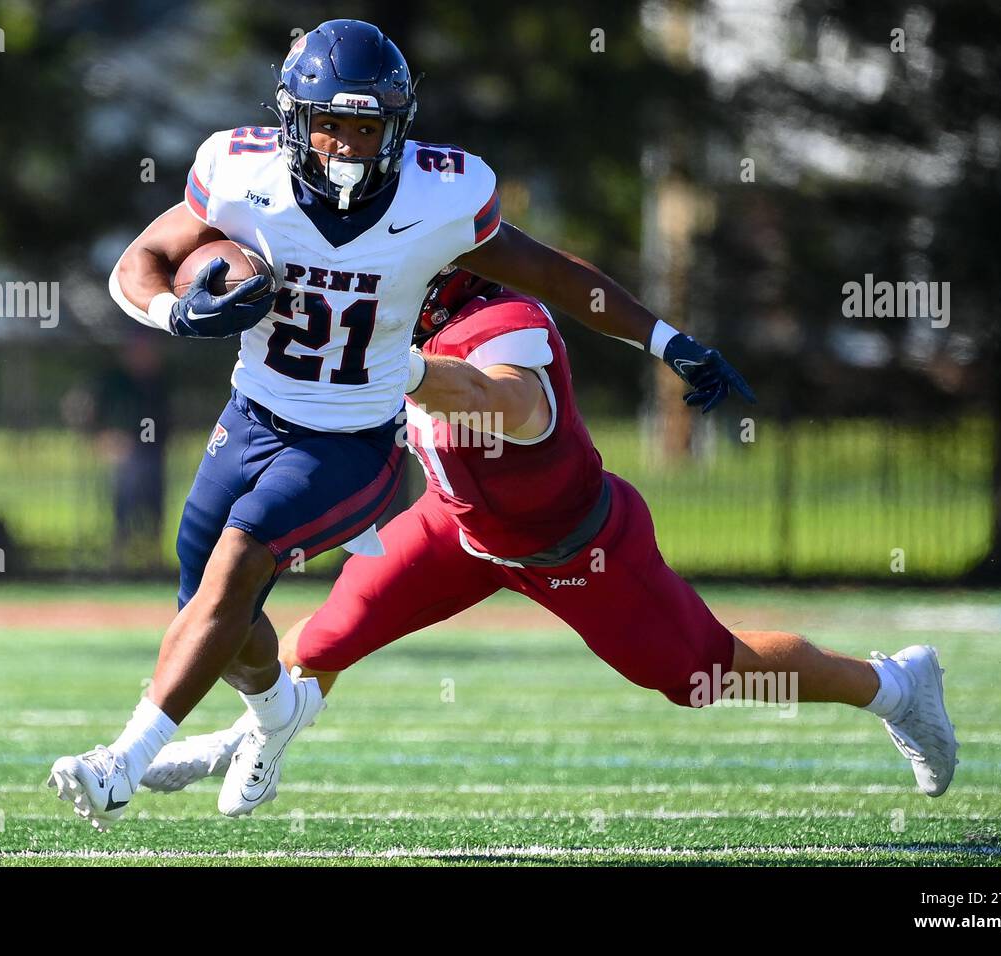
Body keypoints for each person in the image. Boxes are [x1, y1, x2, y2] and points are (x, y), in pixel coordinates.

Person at [47, 19, 754, 831]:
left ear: (397, 128)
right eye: (330, 126)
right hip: (249, 416)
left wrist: (666, 338)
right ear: (293, 121)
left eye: (365, 127)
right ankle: (279, 714)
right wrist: (175, 313)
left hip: (351, 441)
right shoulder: (242, 174)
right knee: (210, 604)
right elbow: (137, 261)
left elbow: (555, 275)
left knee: (240, 563)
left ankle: (120, 762)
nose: (346, 147)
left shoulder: (441, 196)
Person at [141, 269, 959, 804]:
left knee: (703, 676)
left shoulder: (505, 321)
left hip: (578, 546)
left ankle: (892, 686)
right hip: (456, 530)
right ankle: (247, 738)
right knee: (323, 639)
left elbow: (510, 402)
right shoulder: (394, 331)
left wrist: (408, 375)